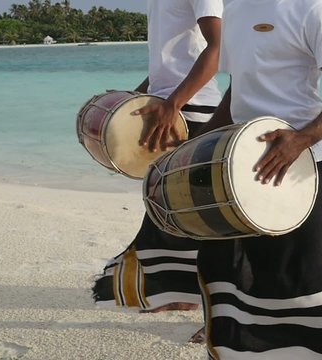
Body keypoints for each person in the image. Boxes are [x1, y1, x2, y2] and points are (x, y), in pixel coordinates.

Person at [190, 0, 322, 357]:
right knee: (229, 272)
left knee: (298, 278)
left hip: (297, 167)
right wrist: (196, 146)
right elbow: (239, 89)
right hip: (235, 168)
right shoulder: (235, 10)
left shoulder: (313, 9)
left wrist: (302, 139)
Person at [92, 0, 222, 318]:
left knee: (203, 215)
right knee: (165, 208)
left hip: (194, 110)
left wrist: (174, 102)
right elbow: (164, 70)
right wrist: (131, 100)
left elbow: (218, 49)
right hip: (167, 107)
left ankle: (217, 307)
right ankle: (181, 292)